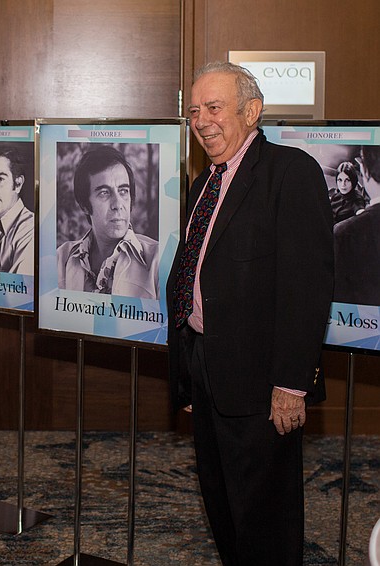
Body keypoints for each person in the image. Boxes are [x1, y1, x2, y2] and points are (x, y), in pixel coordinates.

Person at [167, 61, 333, 566]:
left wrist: (292, 384)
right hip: (207, 369)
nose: (202, 121)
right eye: (195, 111)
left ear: (251, 110)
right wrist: (190, 374)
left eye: (214, 108)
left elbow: (307, 289)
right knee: (221, 505)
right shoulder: (204, 183)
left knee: (265, 519)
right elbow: (193, 274)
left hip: (263, 385)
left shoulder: (290, 172)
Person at [57, 146, 159, 298]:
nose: (117, 204)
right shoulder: (61, 259)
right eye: (104, 193)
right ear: (84, 205)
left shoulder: (157, 260)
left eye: (123, 191)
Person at [333, 146, 380, 305]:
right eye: (340, 180)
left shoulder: (345, 231)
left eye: (347, 180)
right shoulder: (334, 197)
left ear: (364, 172)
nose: (343, 184)